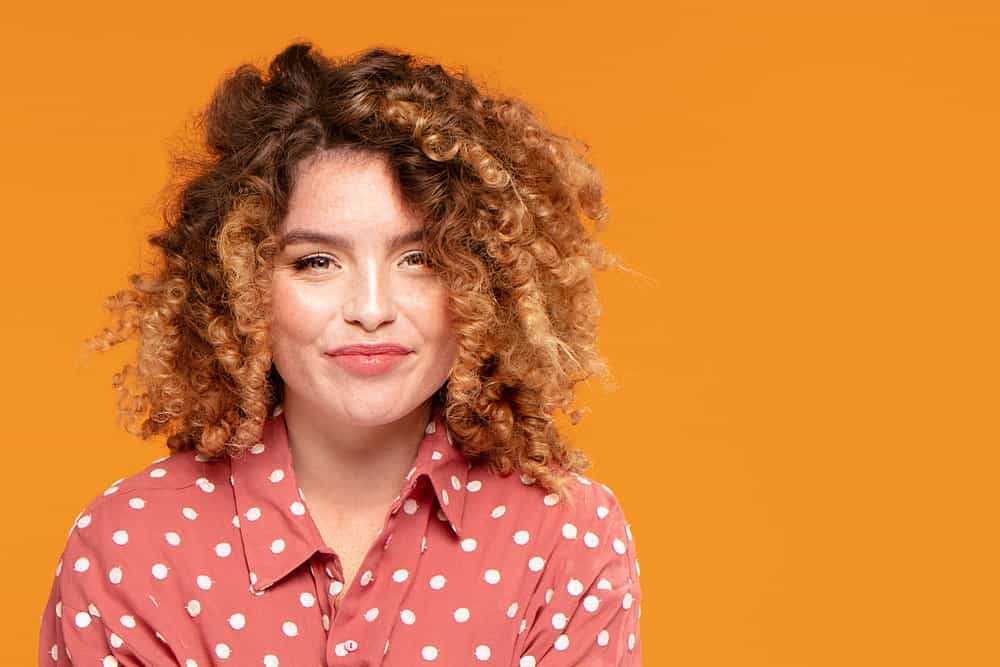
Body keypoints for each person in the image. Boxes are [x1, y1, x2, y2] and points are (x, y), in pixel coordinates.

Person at [38, 41, 642, 665]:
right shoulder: (131, 544)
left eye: (421, 260)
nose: (372, 308)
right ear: (240, 285)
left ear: (485, 281)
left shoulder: (566, 536)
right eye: (317, 262)